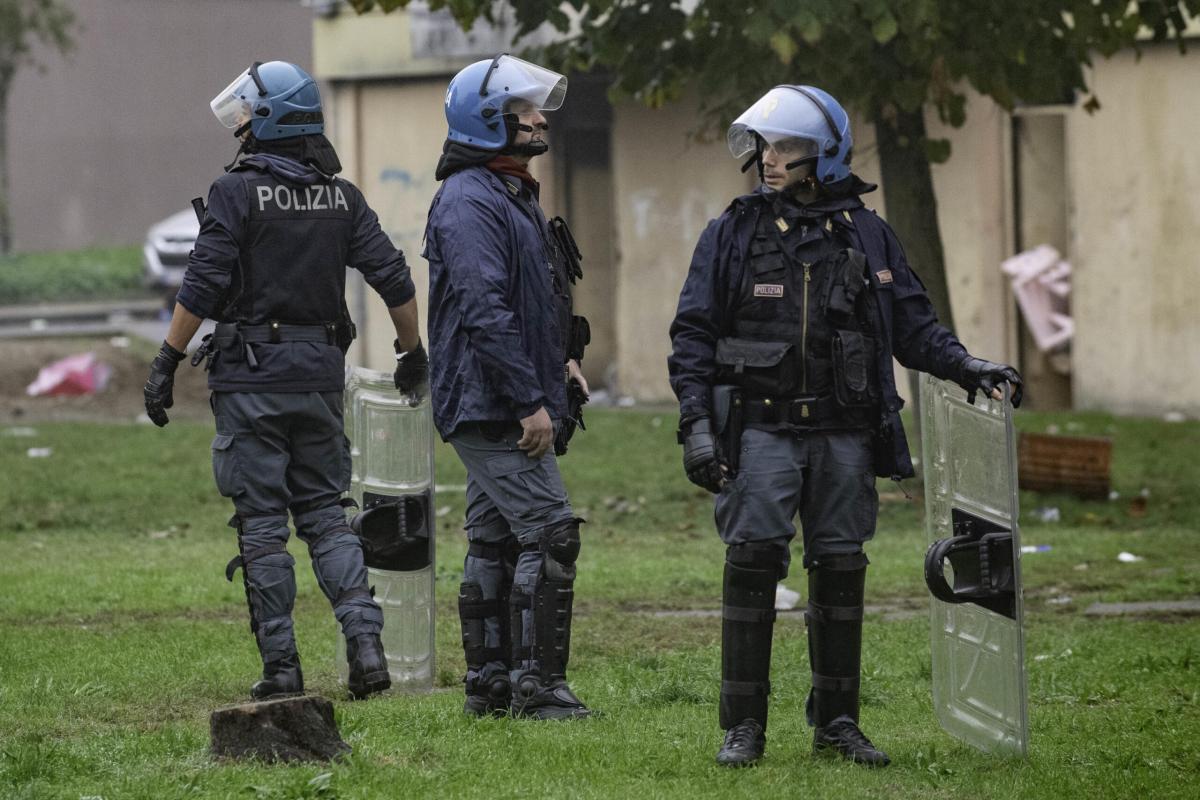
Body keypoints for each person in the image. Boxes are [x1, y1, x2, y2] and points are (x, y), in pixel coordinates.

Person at [668, 85, 1022, 767]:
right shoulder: (733, 231)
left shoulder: (869, 233)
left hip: (845, 434)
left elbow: (914, 327)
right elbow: (693, 336)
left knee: (840, 569)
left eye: (786, 147)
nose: (769, 159)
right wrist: (696, 426)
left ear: (823, 155)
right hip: (760, 431)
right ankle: (743, 727)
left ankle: (837, 723)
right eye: (766, 146)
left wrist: (966, 366)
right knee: (752, 565)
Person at [143, 60, 427, 701]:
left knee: (263, 525)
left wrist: (165, 362)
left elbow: (202, 285)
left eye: (247, 110)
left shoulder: (235, 194)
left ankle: (282, 671)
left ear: (268, 119)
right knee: (328, 516)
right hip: (321, 382)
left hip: (250, 385)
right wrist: (413, 353)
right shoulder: (342, 197)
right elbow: (396, 279)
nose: (239, 121)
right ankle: (367, 648)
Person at [423, 54, 592, 720]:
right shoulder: (470, 199)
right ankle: (539, 689)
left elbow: (533, 302)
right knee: (551, 534)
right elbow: (483, 308)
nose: (537, 117)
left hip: (504, 393)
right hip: (492, 402)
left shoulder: (510, 193)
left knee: (494, 541)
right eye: (523, 110)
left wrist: (563, 369)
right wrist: (529, 400)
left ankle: (488, 687)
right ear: (486, 120)